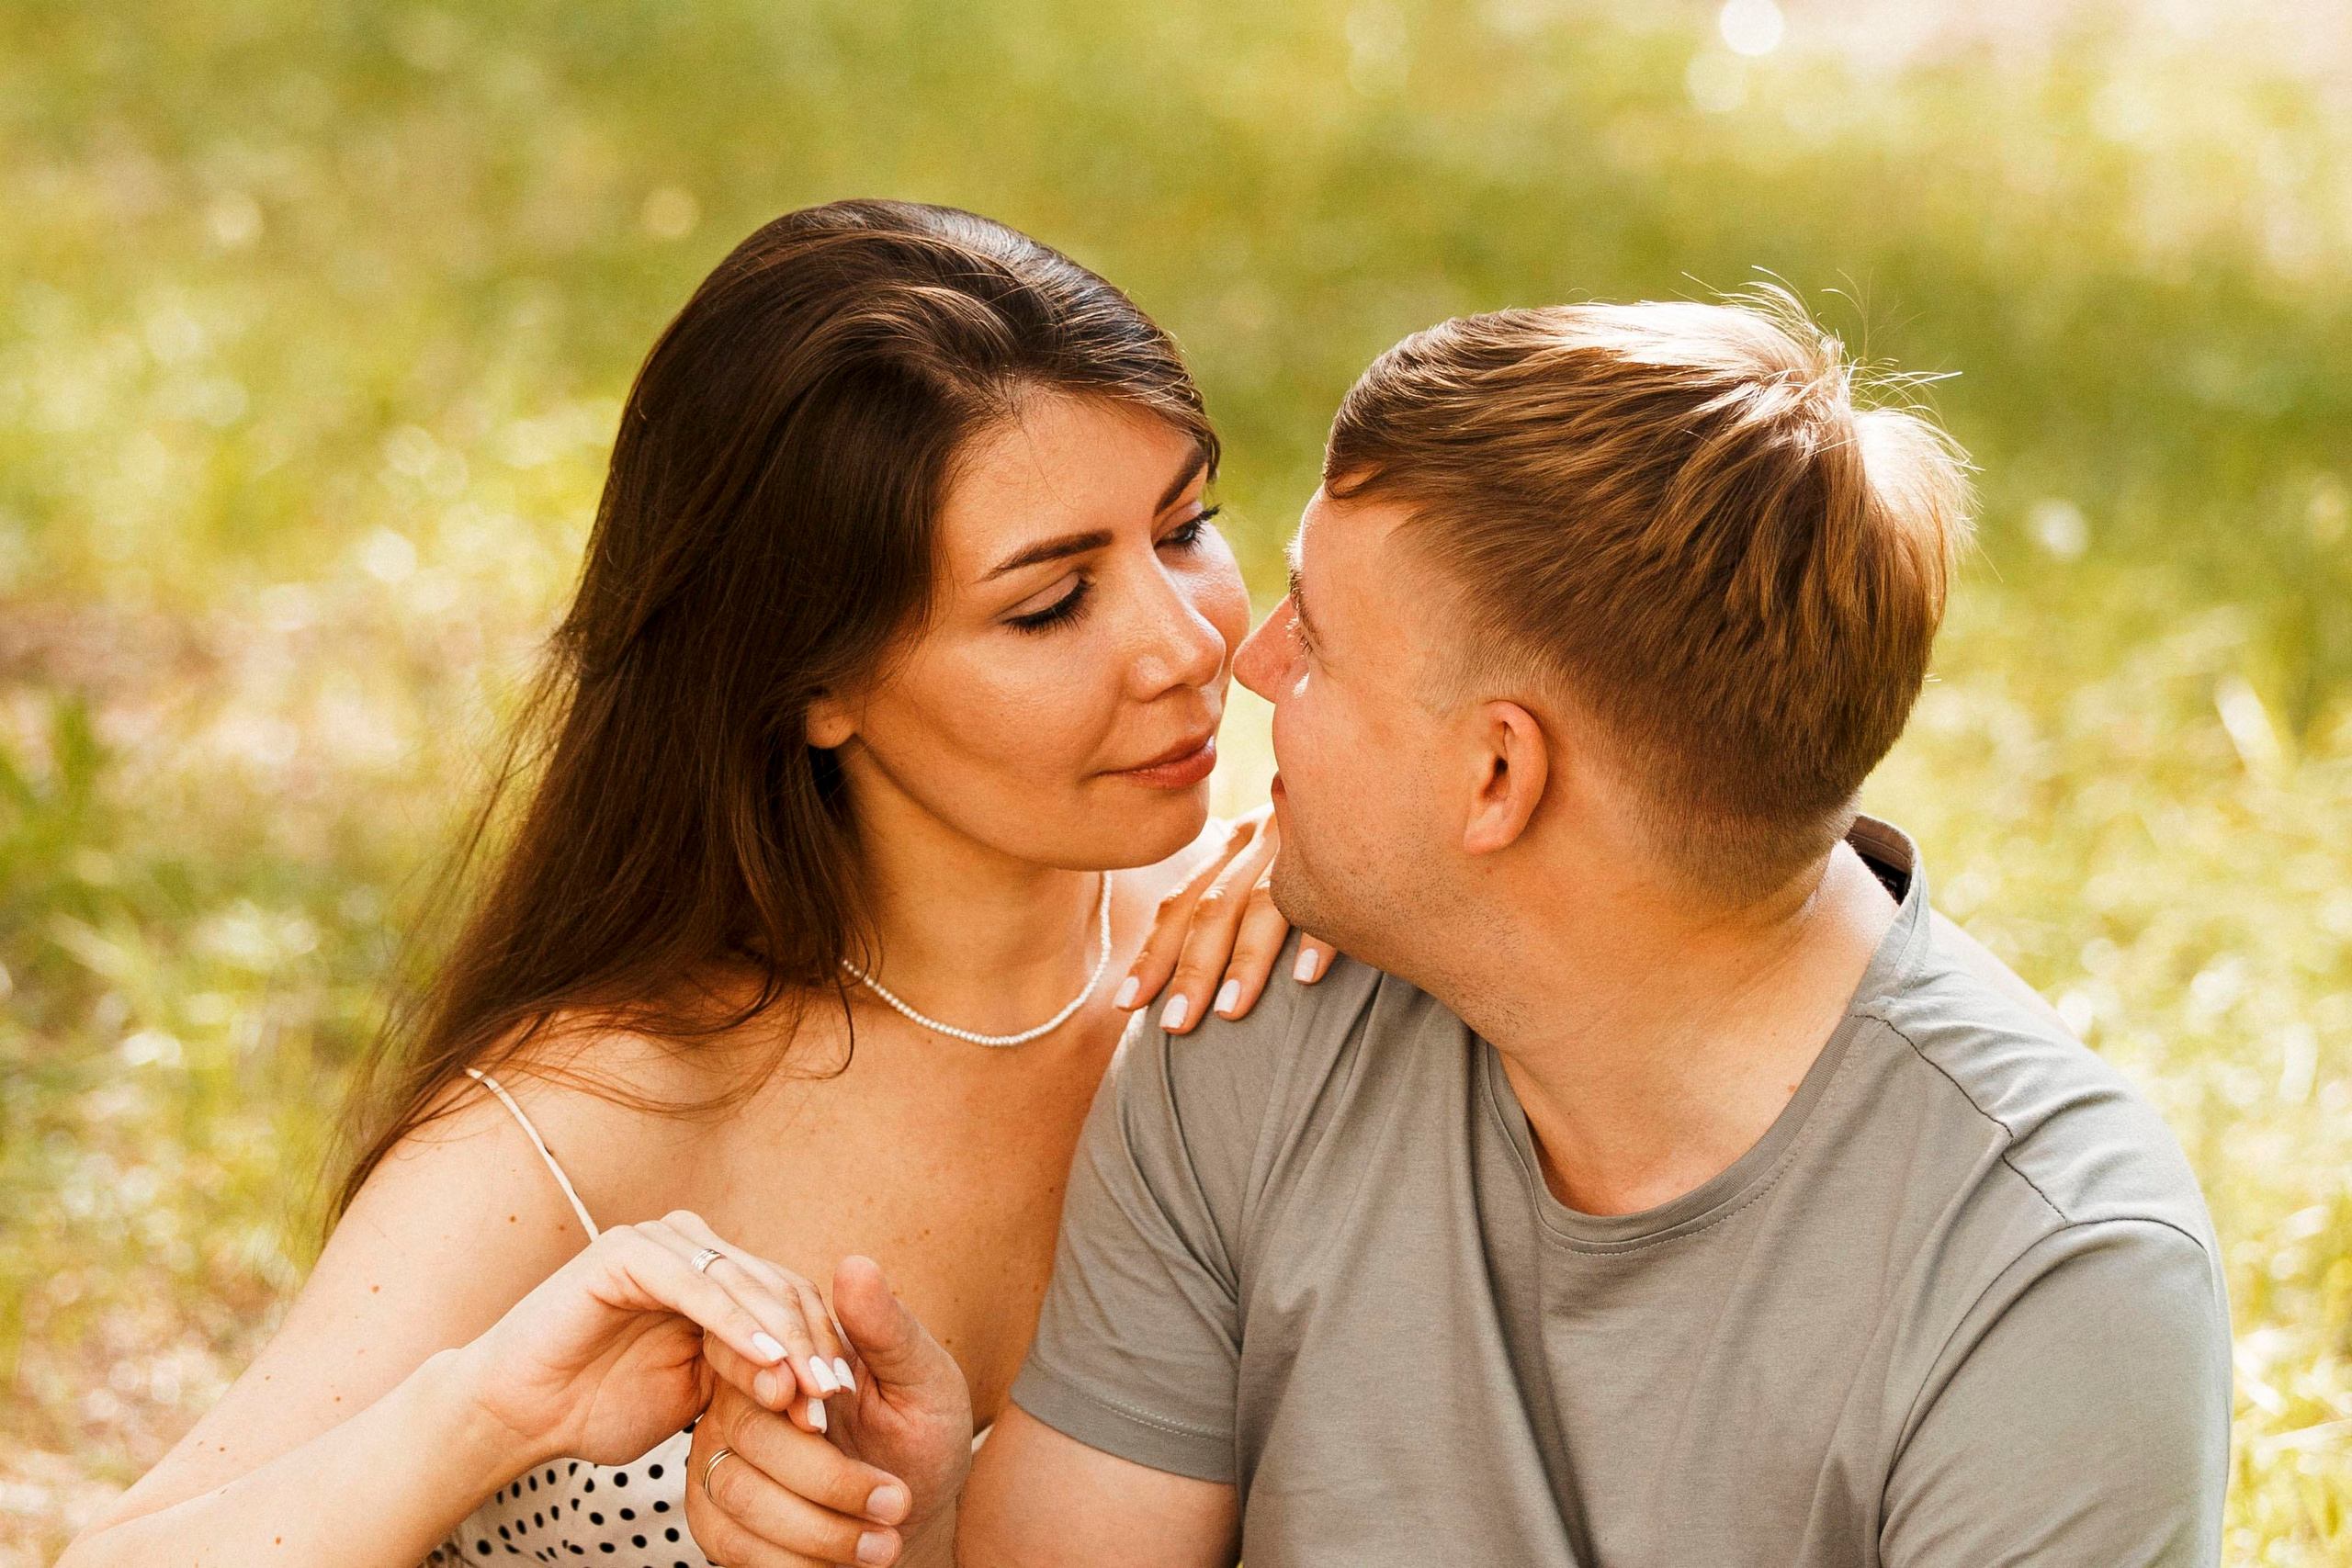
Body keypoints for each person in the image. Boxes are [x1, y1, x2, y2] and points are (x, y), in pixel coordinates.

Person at [702, 295, 2233, 1567]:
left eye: (1320, 639)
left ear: (1497, 776)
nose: (1249, 662)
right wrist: (916, 1526)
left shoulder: (2048, 1280)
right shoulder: (1252, 1017)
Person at [54, 199, 1333, 1568]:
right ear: (814, 681)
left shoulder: (1264, 946)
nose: (1187, 645)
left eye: (1186, 528)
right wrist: (485, 1415)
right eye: (1048, 604)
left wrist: (1361, 872)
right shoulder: (601, 1112)